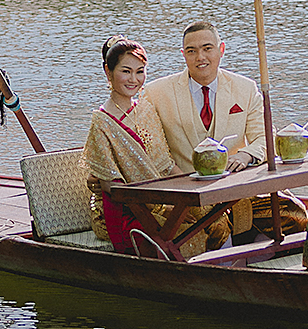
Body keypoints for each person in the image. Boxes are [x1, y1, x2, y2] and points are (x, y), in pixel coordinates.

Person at [141, 20, 305, 244]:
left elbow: (265, 139)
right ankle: (226, 269)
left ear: (221, 49)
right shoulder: (155, 93)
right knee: (215, 227)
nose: (200, 57)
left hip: (239, 191)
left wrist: (245, 155)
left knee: (295, 215)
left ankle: (264, 262)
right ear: (183, 54)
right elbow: (150, 147)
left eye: (207, 48)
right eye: (192, 51)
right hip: (189, 194)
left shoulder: (245, 88)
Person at [83, 37, 229, 257]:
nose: (134, 79)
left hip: (159, 196)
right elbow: (111, 185)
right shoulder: (102, 121)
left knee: (216, 215)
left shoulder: (146, 110)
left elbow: (166, 165)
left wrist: (192, 192)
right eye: (126, 71)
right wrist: (161, 208)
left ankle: (228, 270)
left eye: (140, 72)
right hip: (126, 208)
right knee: (187, 231)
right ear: (108, 72)